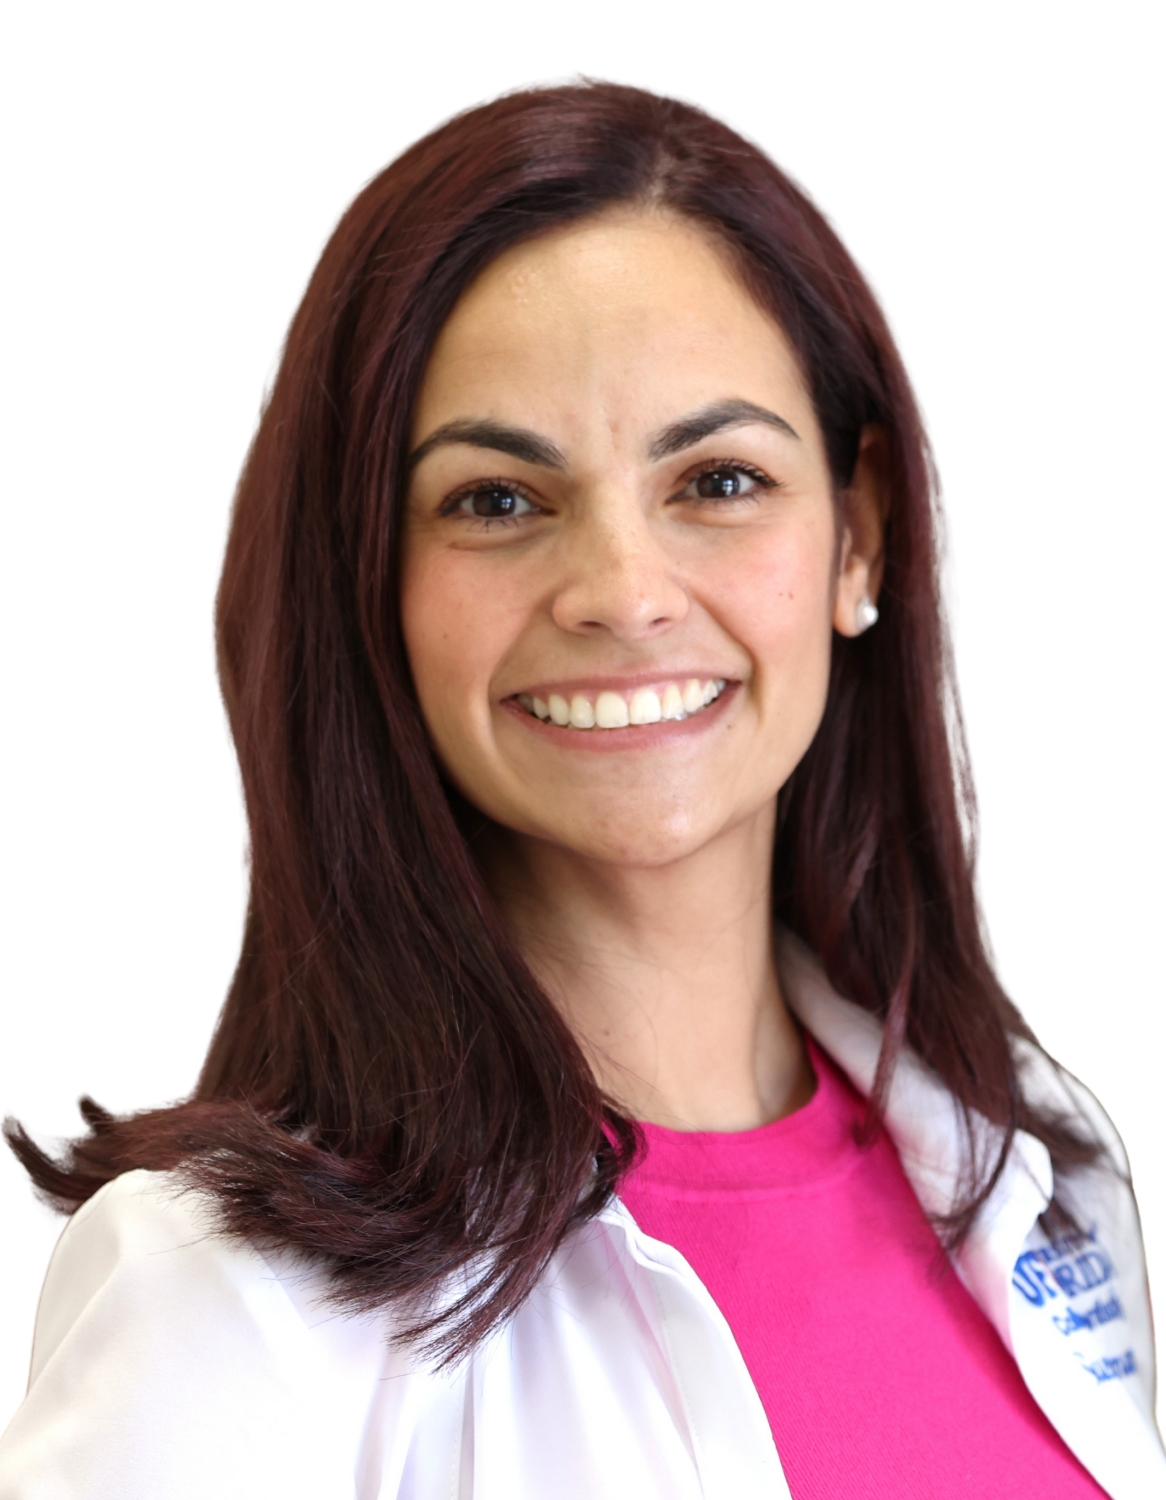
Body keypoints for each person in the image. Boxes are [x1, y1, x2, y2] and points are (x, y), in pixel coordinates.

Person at [1, 74, 1161, 1499]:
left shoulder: (1043, 1167)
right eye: (496, 501)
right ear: (369, 587)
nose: (621, 592)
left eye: (718, 480)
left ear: (856, 537)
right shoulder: (220, 1301)